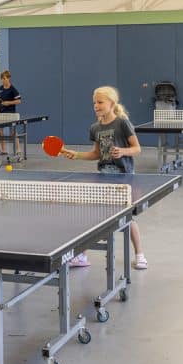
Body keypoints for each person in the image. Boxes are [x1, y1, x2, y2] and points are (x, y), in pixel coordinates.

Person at [60, 86, 148, 270]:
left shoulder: (122, 123)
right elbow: (96, 154)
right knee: (92, 217)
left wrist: (123, 151)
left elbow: (137, 148)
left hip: (124, 178)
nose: (96, 106)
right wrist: (76, 155)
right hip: (103, 176)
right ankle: (83, 257)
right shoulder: (95, 128)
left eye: (100, 102)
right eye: (94, 103)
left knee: (128, 218)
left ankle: (140, 255)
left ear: (111, 103)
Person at [0, 70, 21, 155]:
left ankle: (18, 150)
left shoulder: (12, 89)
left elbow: (19, 101)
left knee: (13, 132)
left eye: (4, 78)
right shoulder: (0, 89)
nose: (3, 80)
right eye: (2, 78)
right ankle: (3, 149)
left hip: (11, 114)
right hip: (1, 114)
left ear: (9, 78)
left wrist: (8, 102)